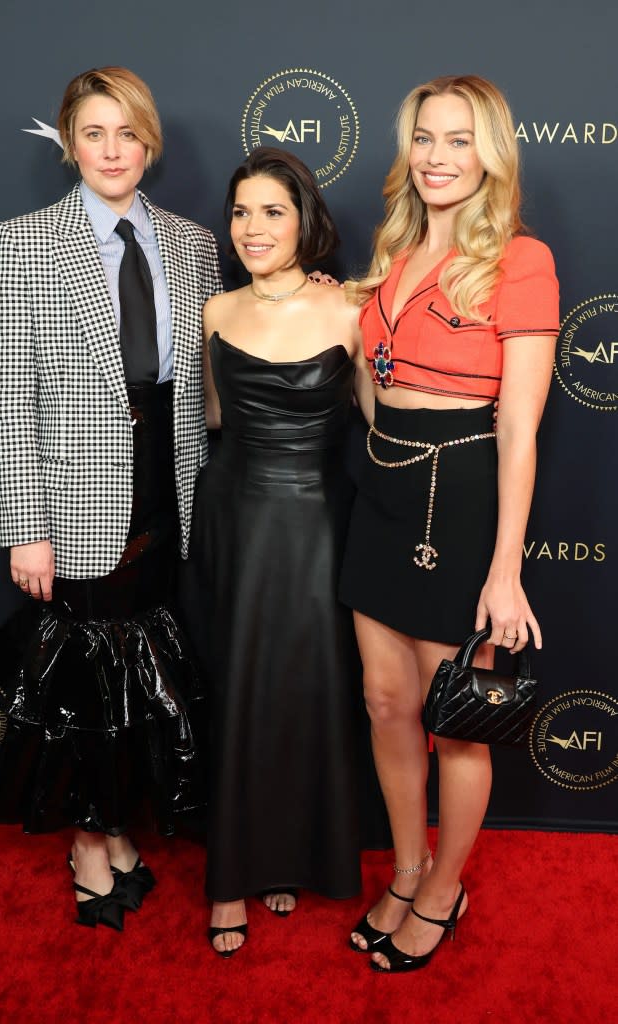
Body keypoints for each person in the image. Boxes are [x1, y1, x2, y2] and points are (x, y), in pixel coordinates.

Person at [0, 66, 222, 930]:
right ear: (69, 144)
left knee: (140, 665)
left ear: (149, 142)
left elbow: (205, 380)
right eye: (93, 133)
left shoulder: (193, 242)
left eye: (127, 133)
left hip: (167, 479)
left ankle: (117, 824)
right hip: (74, 495)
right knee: (82, 672)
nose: (112, 150)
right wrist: (28, 527)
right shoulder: (25, 242)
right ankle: (89, 841)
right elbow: (8, 394)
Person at [339, 75, 559, 973]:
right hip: (383, 487)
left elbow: (518, 429)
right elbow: (369, 388)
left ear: (490, 153)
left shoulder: (521, 259)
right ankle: (407, 867)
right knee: (386, 703)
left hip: (461, 497)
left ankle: (442, 890)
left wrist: (503, 570)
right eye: (424, 138)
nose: (436, 157)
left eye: (458, 140)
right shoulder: (388, 254)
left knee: (456, 718)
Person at [182, 147, 375, 956]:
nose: (252, 228)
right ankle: (232, 876)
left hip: (317, 522)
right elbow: (215, 419)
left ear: (305, 222)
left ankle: (291, 854)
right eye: (239, 212)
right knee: (236, 689)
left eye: (272, 212)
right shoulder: (214, 312)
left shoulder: (351, 310)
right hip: (233, 517)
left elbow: (379, 421)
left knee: (307, 690)